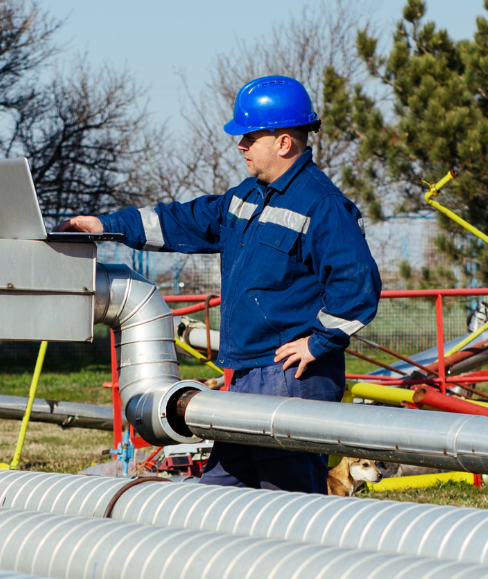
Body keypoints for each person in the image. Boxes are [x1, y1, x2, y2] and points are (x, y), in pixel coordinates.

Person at [62, 76, 380, 493]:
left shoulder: (322, 204)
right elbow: (183, 220)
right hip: (247, 371)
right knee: (219, 494)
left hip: (291, 375)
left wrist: (318, 344)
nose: (240, 144)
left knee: (288, 503)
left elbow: (357, 286)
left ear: (284, 143)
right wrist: (106, 226)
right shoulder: (248, 196)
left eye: (249, 136)